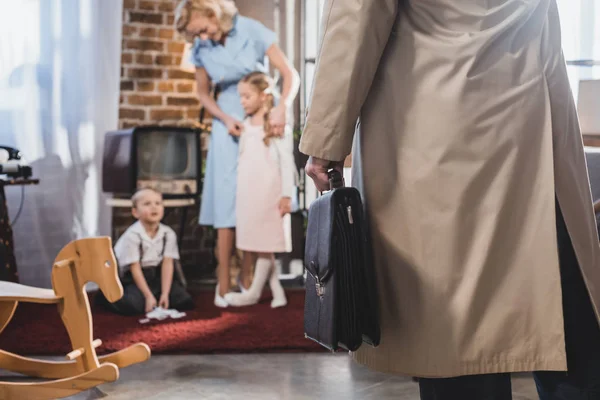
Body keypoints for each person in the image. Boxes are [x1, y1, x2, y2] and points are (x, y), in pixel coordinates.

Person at [301, 1, 600, 399]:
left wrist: (325, 141)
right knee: (567, 324)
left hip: (444, 118)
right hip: (538, 116)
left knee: (460, 342)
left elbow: (358, 13)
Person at [174, 0, 299, 308]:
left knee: (255, 197)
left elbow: (289, 74)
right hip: (226, 121)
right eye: (195, 34)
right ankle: (224, 282)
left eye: (202, 29)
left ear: (212, 13)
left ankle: (246, 280)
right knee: (226, 198)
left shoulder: (252, 30)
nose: (201, 37)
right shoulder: (201, 48)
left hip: (258, 119)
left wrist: (282, 107)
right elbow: (203, 92)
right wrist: (224, 118)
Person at [222, 71, 296, 308]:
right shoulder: (245, 125)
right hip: (249, 193)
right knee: (262, 244)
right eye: (241, 97)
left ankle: (253, 293)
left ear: (264, 96)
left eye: (247, 96)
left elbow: (286, 161)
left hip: (269, 193)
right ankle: (278, 292)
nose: (242, 101)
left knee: (266, 243)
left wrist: (287, 194)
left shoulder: (275, 126)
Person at [96, 188, 194, 316]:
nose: (154, 207)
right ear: (135, 212)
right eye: (147, 204)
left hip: (156, 277)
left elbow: (167, 263)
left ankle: (158, 296)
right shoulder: (132, 235)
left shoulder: (168, 233)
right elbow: (134, 268)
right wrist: (148, 296)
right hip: (134, 278)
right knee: (133, 306)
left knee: (185, 301)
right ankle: (104, 297)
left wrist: (165, 294)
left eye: (158, 203)